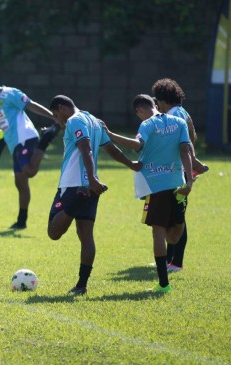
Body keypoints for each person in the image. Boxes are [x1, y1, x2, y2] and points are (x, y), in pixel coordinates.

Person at [47, 95, 140, 295]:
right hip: (92, 186)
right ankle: (81, 285)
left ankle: (78, 199)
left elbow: (85, 148)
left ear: (63, 108)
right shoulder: (94, 121)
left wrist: (90, 179)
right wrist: (130, 164)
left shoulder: (75, 120)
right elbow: (111, 149)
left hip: (75, 185)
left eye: (56, 115)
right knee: (85, 236)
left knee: (53, 232)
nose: (57, 120)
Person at [101, 94, 192, 292]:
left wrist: (109, 134)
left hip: (155, 185)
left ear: (139, 111)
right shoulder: (179, 122)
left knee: (158, 233)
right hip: (178, 182)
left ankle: (163, 284)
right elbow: (186, 150)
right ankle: (178, 209)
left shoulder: (147, 125)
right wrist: (190, 180)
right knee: (173, 238)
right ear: (155, 104)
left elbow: (137, 145)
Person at [0, 75, 61, 229]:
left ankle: (46, 137)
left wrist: (54, 118)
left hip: (25, 138)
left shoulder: (10, 93)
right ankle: (21, 221)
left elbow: (30, 104)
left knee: (29, 172)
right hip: (15, 145)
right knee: (20, 182)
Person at [151, 78, 206, 272]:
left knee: (178, 216)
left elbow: (184, 144)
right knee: (171, 213)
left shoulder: (173, 116)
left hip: (178, 170)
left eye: (157, 101)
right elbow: (193, 137)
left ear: (163, 100)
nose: (156, 105)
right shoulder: (183, 112)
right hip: (180, 168)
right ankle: (169, 259)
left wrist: (190, 163)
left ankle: (176, 262)